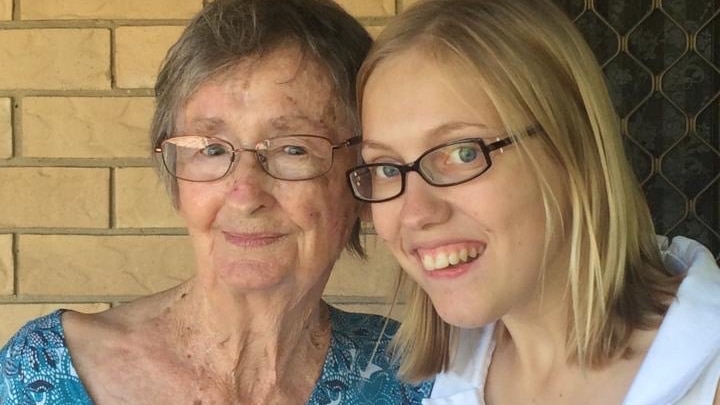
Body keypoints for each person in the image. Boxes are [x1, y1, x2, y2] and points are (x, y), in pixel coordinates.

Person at [0, 0, 433, 404]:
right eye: (211, 148)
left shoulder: (417, 380)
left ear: (364, 179)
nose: (245, 195)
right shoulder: (42, 373)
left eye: (293, 149)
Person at [345, 0, 720, 403]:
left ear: (572, 149)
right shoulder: (429, 380)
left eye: (463, 153)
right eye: (385, 167)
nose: (415, 213)